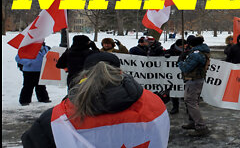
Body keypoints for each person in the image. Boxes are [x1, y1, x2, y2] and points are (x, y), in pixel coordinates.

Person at [21, 52, 170, 148]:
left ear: (84, 75)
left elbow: (32, 141)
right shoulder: (154, 102)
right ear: (120, 72)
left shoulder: (57, 117)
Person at [178, 35, 210, 137]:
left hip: (193, 80)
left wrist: (180, 61)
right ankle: (194, 122)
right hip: (196, 79)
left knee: (190, 101)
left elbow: (186, 68)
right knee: (192, 101)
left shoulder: (196, 54)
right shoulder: (201, 51)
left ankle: (201, 126)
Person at [165, 38, 187, 114]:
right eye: (183, 45)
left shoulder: (188, 50)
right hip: (174, 74)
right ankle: (175, 107)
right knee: (174, 90)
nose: (185, 46)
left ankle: (188, 108)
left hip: (184, 74)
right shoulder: (171, 51)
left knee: (185, 91)